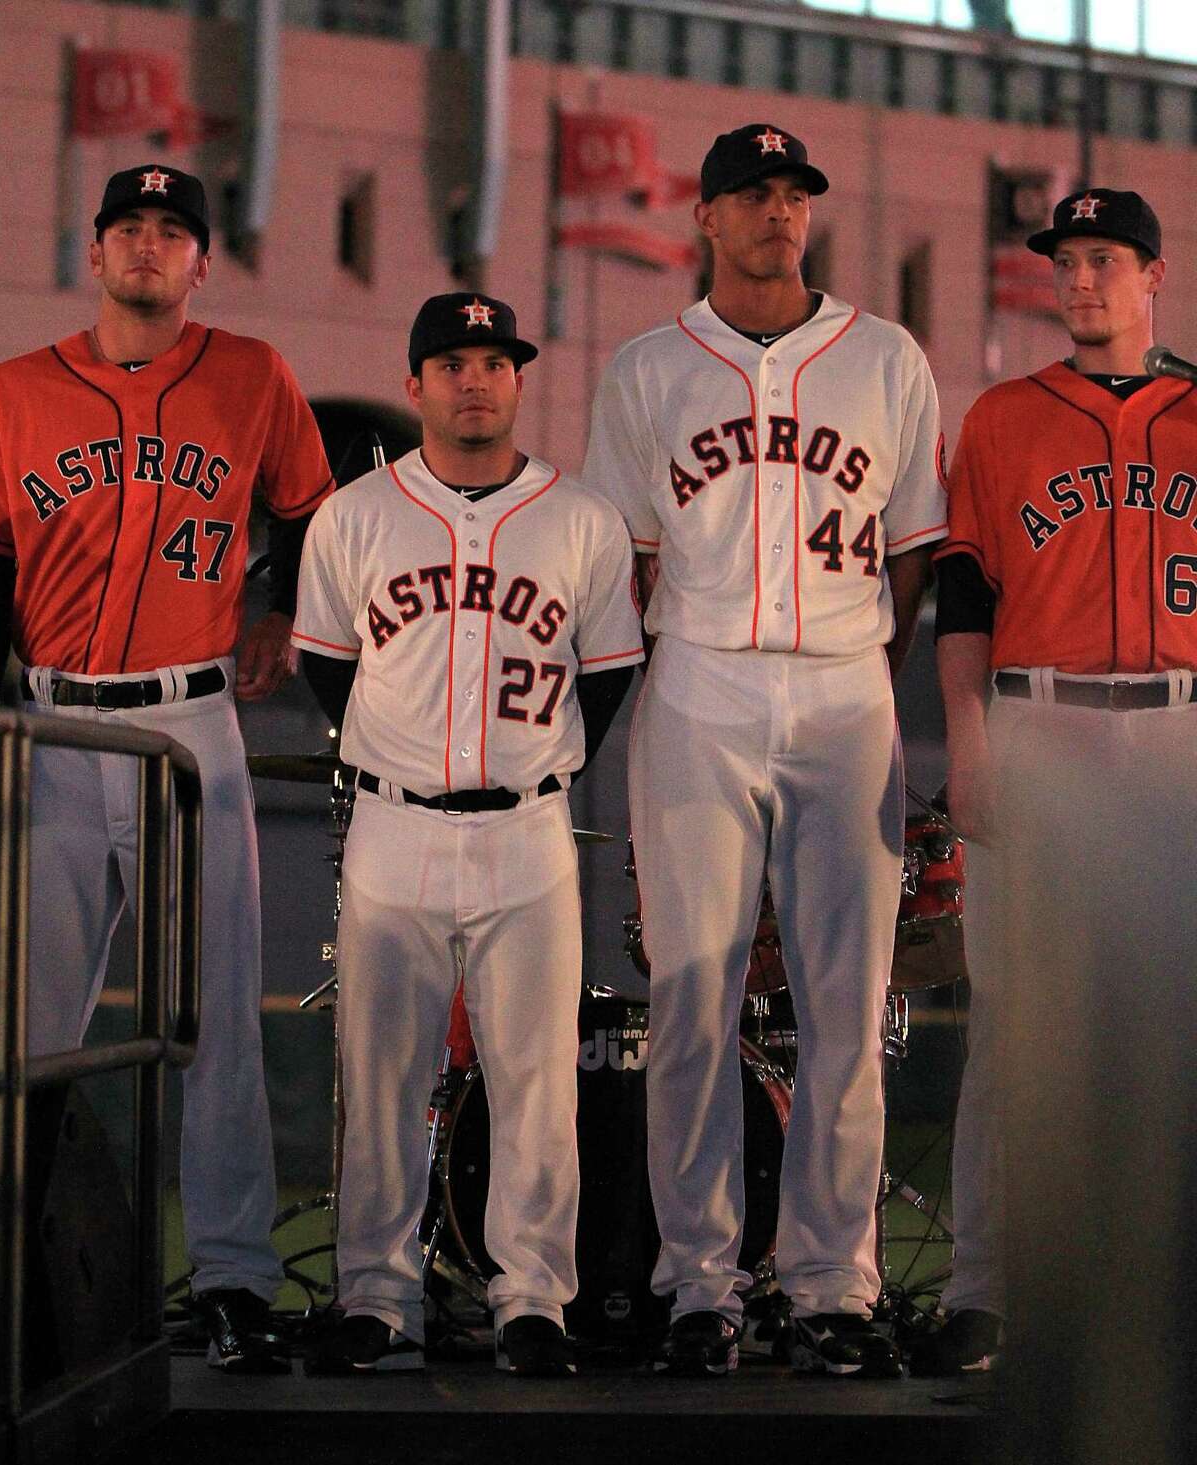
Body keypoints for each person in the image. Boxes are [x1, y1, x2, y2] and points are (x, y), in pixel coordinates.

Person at [582, 123, 947, 1377]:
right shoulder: (644, 369)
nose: (779, 211)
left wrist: (868, 680)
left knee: (847, 1002)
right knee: (693, 991)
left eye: (794, 193)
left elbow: (916, 552)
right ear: (706, 216)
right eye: (753, 193)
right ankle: (699, 1282)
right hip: (698, 678)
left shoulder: (889, 358)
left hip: (847, 684)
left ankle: (832, 1282)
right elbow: (625, 559)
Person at [0, 164, 333, 1372]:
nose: (148, 246)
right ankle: (13, 1269)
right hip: (50, 725)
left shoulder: (251, 377)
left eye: (171, 231)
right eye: (128, 227)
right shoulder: (16, 393)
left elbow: (316, 517)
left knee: (216, 1022)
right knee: (30, 1027)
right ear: (95, 253)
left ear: (203, 263)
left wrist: (278, 605)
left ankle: (238, 1277)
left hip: (192, 721)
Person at [293, 292, 642, 1377]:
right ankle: (377, 1295)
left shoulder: (580, 518)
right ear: (415, 384)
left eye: (494, 360)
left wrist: (530, 762)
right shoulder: (354, 515)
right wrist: (392, 749)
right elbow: (324, 664)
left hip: (530, 825)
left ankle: (534, 1298)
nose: (474, 379)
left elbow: (611, 671)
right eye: (452, 362)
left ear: (519, 380)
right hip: (393, 821)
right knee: (381, 1072)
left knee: (537, 1077)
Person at [921, 189, 1197, 1395]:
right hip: (1039, 722)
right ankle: (982, 1288)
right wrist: (968, 741)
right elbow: (965, 595)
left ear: (1153, 277)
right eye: (1066, 260)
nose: (1080, 279)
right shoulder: (1000, 417)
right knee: (1014, 1025)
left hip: (1185, 728)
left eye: (1104, 259)